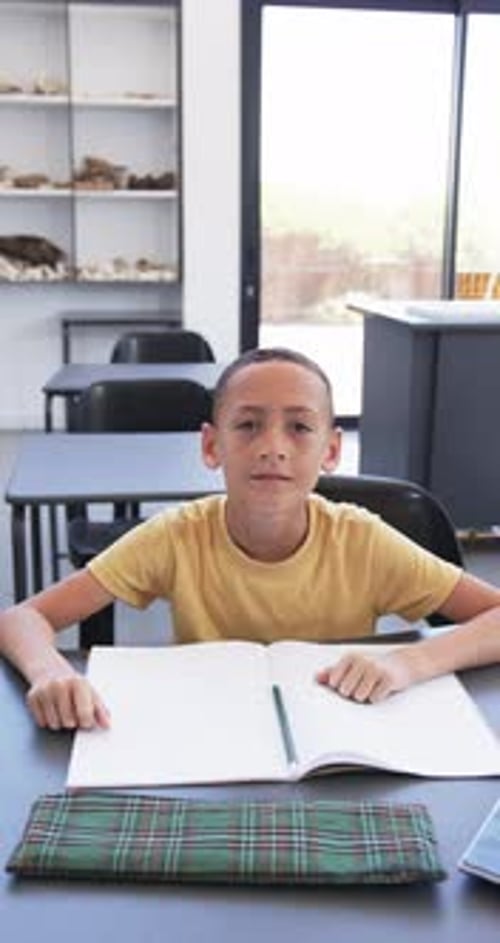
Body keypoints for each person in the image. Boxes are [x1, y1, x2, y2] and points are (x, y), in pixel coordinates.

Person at [1, 347, 500, 731]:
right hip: (210, 737)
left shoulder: (362, 541)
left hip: (341, 737)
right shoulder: (176, 536)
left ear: (330, 451)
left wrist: (411, 662)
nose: (272, 448)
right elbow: (22, 618)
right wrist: (48, 672)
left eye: (299, 427)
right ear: (212, 445)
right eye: (247, 425)